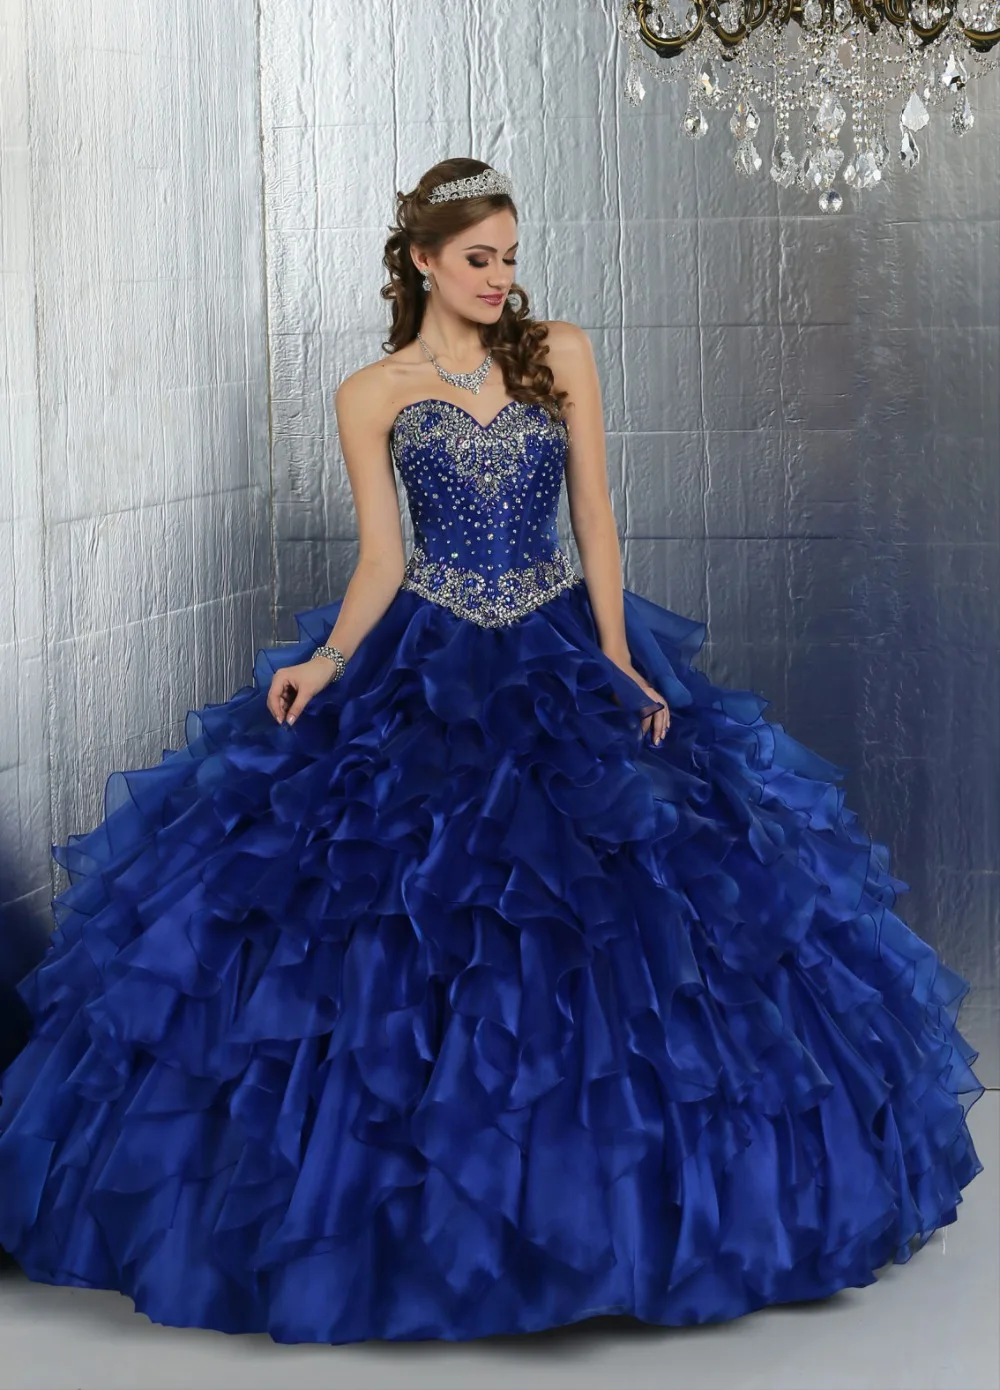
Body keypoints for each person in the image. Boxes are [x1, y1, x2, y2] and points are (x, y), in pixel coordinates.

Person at [0, 157, 985, 1345]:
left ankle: (618, 1204)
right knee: (402, 904)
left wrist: (618, 657)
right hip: (425, 648)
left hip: (557, 638)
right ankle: (414, 1207)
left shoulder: (557, 353)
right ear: (421, 259)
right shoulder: (370, 392)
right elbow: (382, 556)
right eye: (477, 258)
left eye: (509, 257)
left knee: (629, 897)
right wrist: (327, 662)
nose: (498, 278)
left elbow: (596, 516)